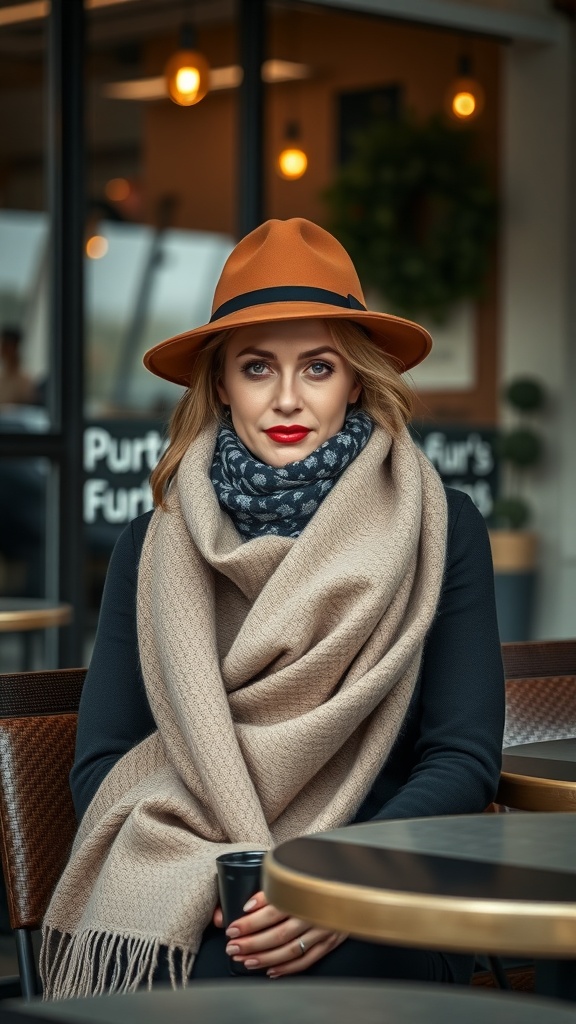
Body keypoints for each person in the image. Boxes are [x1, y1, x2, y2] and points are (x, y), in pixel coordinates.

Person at [41, 218, 504, 998]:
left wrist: (337, 880)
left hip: (377, 890)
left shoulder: (441, 526)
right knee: (202, 973)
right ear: (221, 383)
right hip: (204, 886)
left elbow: (461, 760)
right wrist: (220, 879)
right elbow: (105, 764)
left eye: (317, 367)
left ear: (355, 378)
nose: (287, 398)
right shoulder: (152, 545)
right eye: (258, 368)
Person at [0, 325, 36, 406]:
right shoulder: (2, 377)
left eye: (5, 345)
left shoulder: (25, 381)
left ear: (14, 347)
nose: (1, 349)